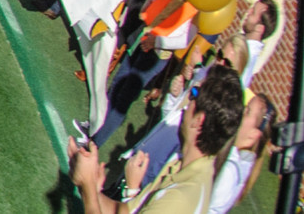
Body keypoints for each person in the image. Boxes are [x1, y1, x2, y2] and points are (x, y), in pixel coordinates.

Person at [67, 62, 242, 214]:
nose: (188, 99)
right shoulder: (179, 167)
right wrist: (89, 187)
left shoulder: (180, 198)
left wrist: (89, 186)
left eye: (194, 93)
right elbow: (127, 210)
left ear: (199, 120)